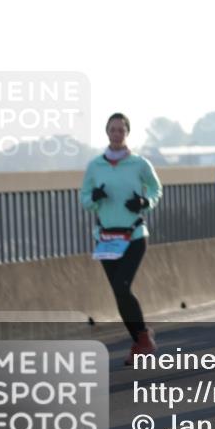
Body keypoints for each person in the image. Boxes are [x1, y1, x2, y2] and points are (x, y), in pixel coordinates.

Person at [81, 113, 163, 365]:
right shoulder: (95, 166)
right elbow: (84, 200)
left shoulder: (139, 164)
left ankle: (144, 340)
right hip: (106, 238)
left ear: (127, 133)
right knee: (119, 294)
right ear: (107, 132)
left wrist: (144, 202)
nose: (116, 134)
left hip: (134, 235)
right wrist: (93, 197)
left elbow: (156, 189)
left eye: (121, 130)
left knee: (121, 287)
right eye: (112, 129)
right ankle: (140, 340)